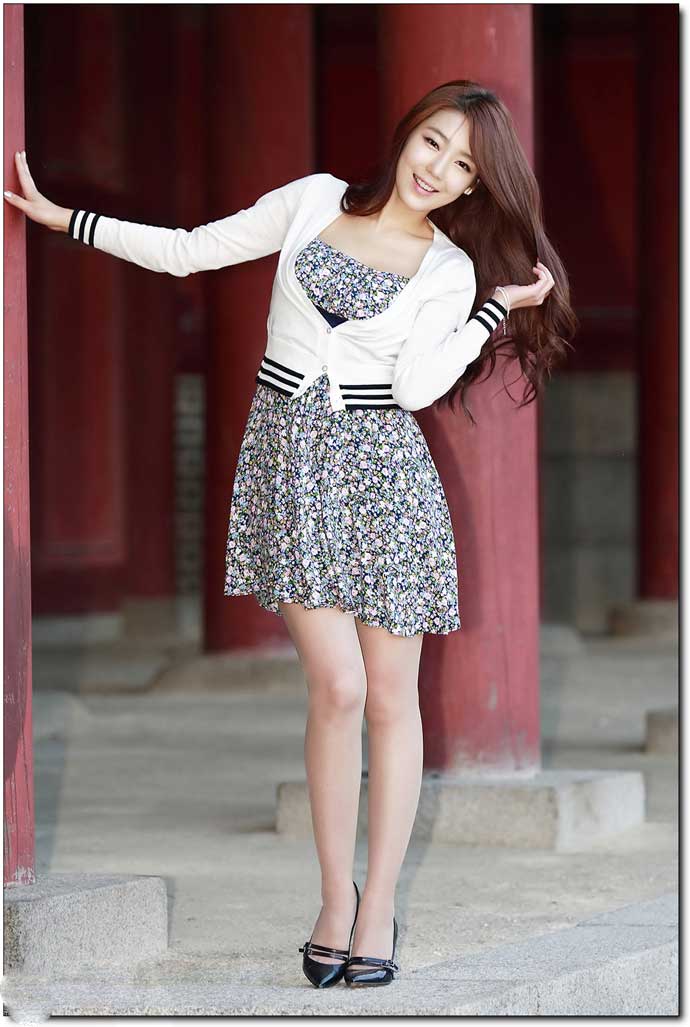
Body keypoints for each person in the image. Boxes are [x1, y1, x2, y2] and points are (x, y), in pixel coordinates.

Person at [4, 79, 574, 989]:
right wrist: (65, 218)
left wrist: (491, 311)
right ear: (407, 134)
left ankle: (377, 905)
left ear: (475, 186)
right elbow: (189, 251)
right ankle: (334, 895)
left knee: (391, 699)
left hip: (386, 484)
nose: (438, 168)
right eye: (433, 142)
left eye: (464, 165)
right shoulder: (313, 201)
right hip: (291, 468)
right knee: (337, 685)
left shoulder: (447, 271)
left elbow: (417, 387)